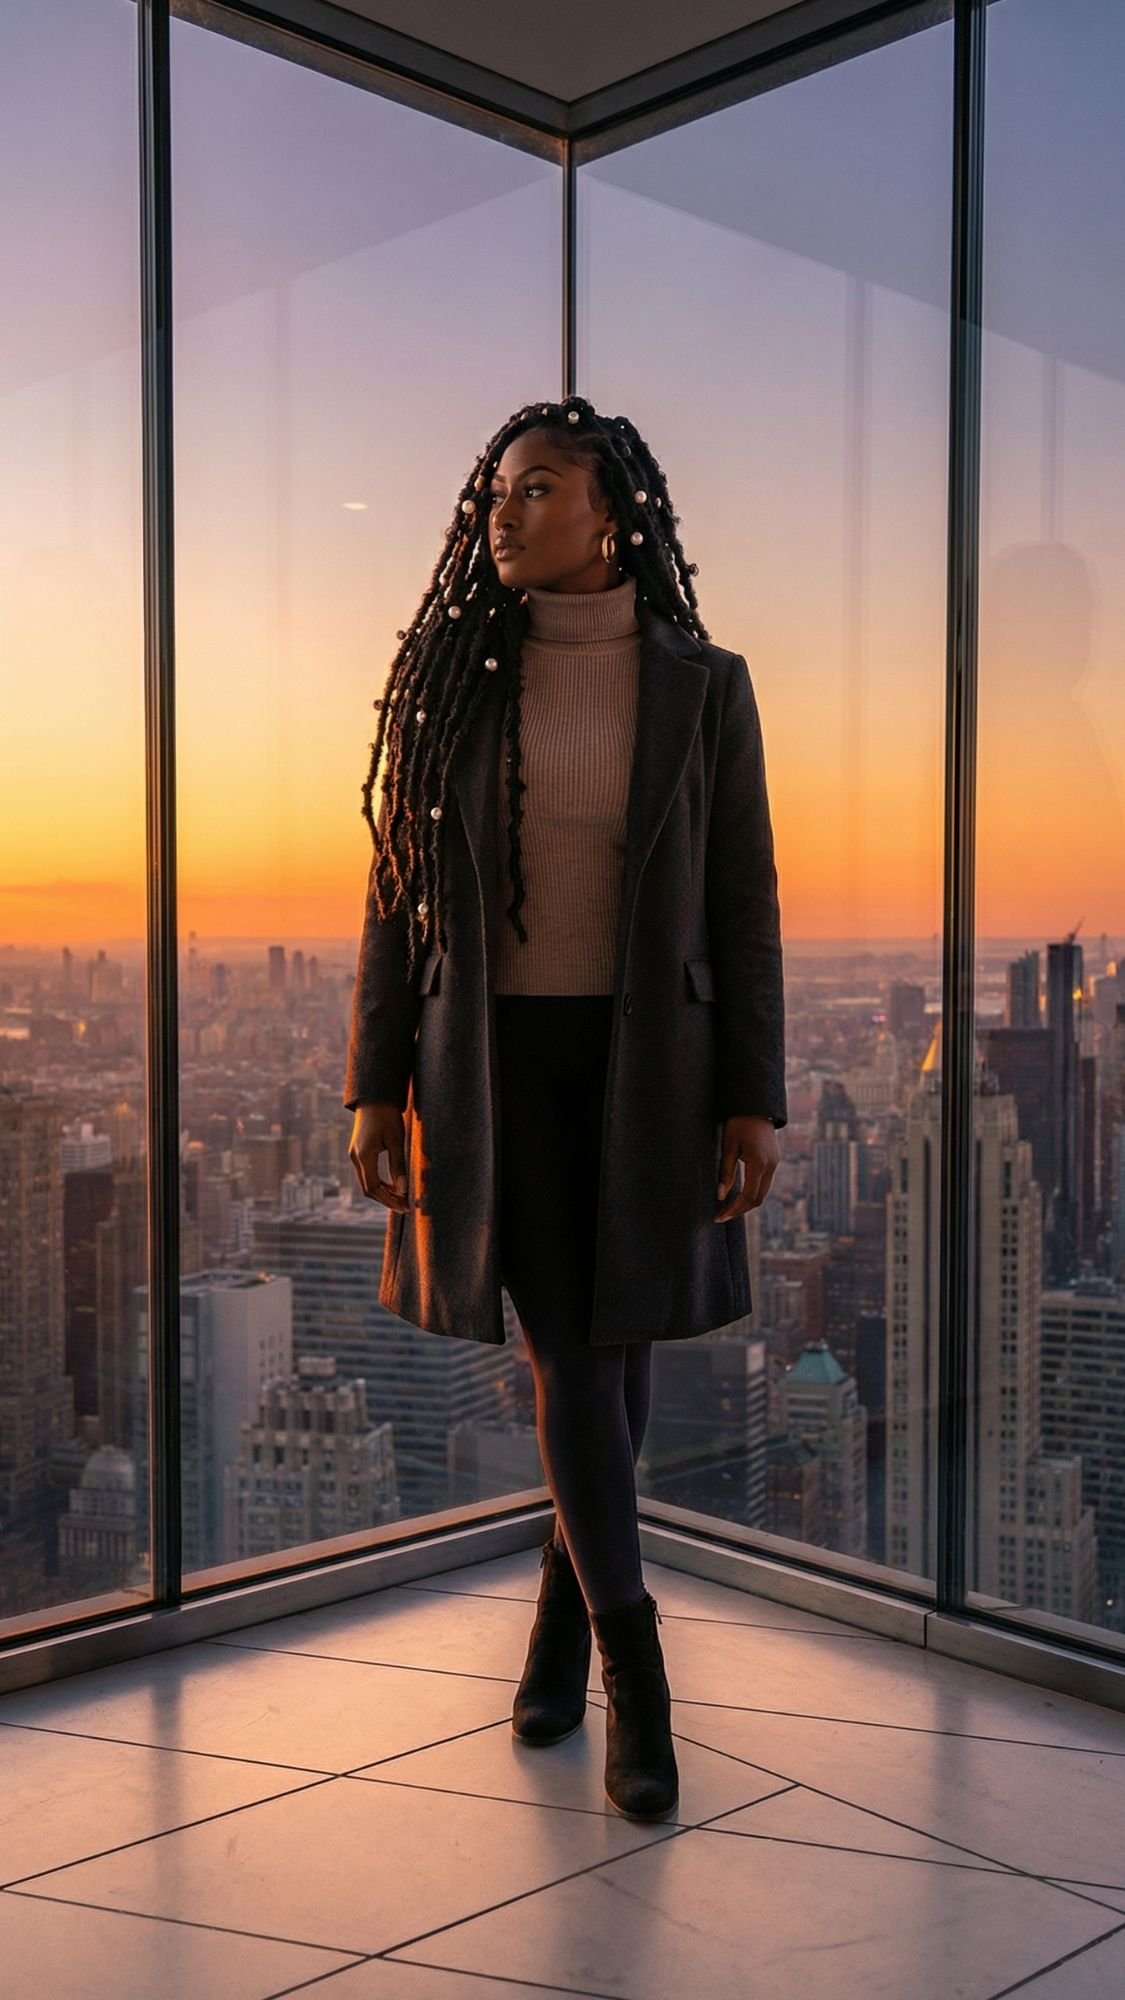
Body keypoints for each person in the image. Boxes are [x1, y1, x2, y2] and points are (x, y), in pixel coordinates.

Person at [345, 395, 787, 1821]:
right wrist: (371, 1081)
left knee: (615, 1340)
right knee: (577, 1364)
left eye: (536, 491)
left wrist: (753, 1098)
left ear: (612, 517)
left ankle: (553, 1626)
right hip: (489, 1066)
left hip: (649, 1067)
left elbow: (743, 897)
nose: (502, 512)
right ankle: (636, 1682)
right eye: (495, 491)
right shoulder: (452, 686)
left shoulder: (704, 686)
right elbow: (392, 896)